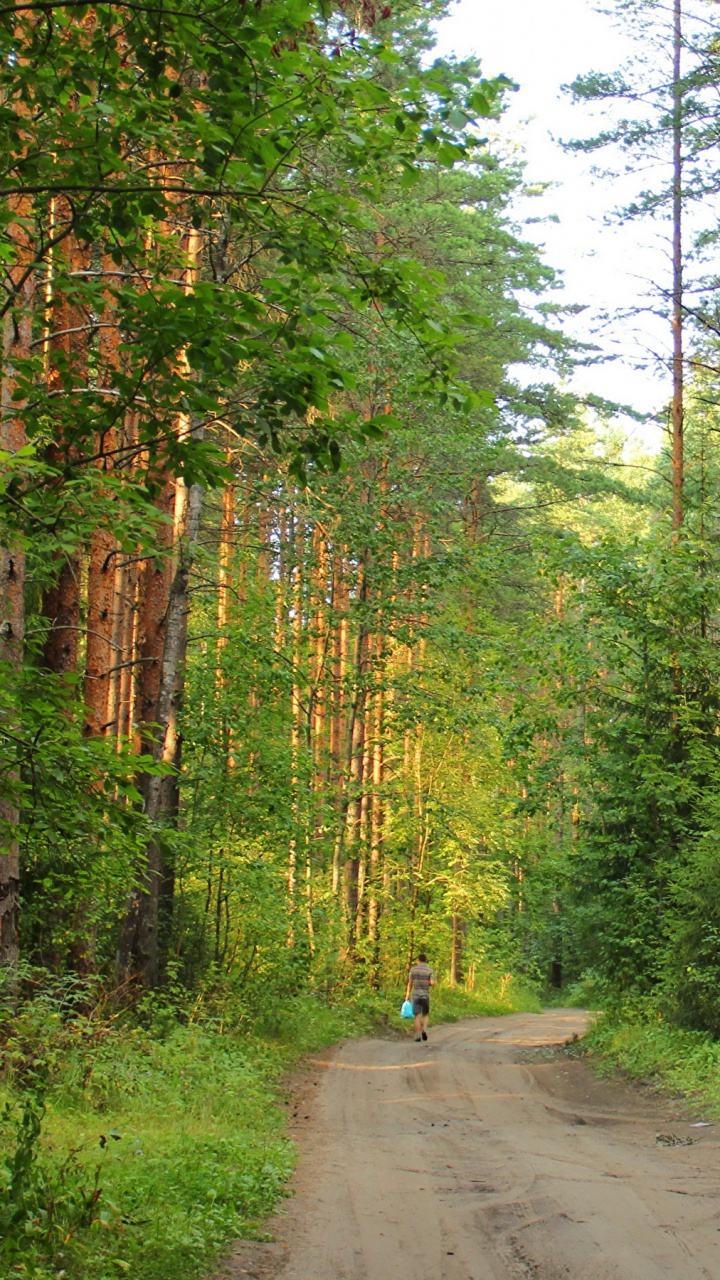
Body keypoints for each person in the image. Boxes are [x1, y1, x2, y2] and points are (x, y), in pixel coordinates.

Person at [405, 951, 434, 1042]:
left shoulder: (413, 970)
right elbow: (432, 983)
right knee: (425, 1014)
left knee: (417, 1016)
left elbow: (410, 983)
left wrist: (407, 995)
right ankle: (424, 1029)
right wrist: (427, 982)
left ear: (418, 960)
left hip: (416, 995)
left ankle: (417, 1035)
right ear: (426, 961)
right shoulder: (429, 971)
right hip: (425, 996)